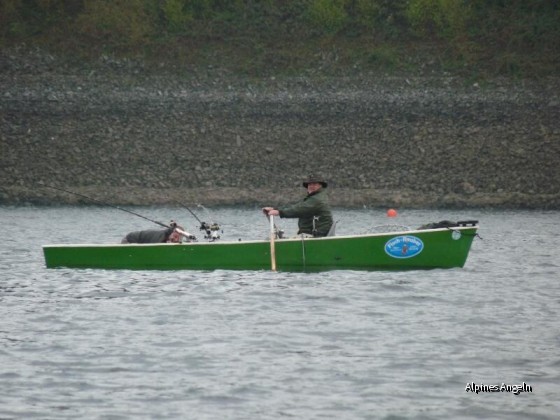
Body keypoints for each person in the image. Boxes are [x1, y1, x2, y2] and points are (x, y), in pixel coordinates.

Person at [262, 175, 333, 237]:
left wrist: (279, 212)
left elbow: (299, 210)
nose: (311, 186)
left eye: (314, 184)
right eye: (309, 184)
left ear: (320, 186)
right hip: (313, 233)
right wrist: (275, 209)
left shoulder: (317, 199)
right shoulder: (313, 198)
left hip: (318, 235)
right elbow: (297, 207)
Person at [121, 221, 189, 244]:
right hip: (129, 240)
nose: (176, 239)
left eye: (178, 238)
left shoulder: (167, 236)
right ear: (171, 233)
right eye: (175, 236)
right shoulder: (159, 238)